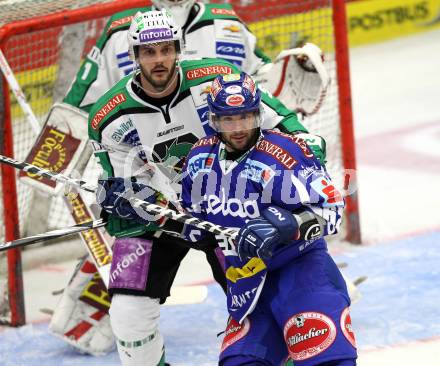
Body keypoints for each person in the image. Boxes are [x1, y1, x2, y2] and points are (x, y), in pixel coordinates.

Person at [89, 10, 322, 366]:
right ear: (135, 56)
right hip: (164, 218)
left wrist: (305, 142)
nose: (159, 60)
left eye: (166, 50)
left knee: (259, 298)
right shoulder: (109, 117)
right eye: (149, 52)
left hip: (227, 206)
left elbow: (276, 119)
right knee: (127, 311)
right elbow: (120, 181)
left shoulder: (216, 78)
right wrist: (126, 200)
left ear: (178, 48)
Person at [179, 72, 358, 365]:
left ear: (259, 114)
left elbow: (332, 209)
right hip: (247, 285)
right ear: (214, 119)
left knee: (328, 360)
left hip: (300, 271)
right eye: (228, 119)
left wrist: (291, 225)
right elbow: (193, 220)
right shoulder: (199, 158)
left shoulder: (287, 153)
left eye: (245, 117)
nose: (237, 129)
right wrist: (143, 206)